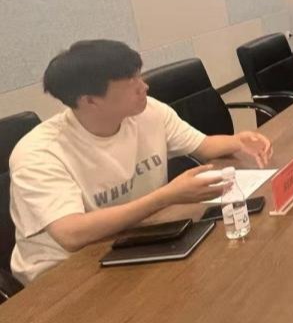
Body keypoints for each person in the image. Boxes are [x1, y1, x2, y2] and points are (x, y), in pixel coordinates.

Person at [9, 40, 274, 284]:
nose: (144, 86)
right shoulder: (39, 152)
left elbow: (203, 146)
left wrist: (238, 141)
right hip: (62, 275)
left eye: (139, 75)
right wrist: (167, 196)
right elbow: (71, 234)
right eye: (131, 82)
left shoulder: (149, 112)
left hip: (134, 240)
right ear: (90, 100)